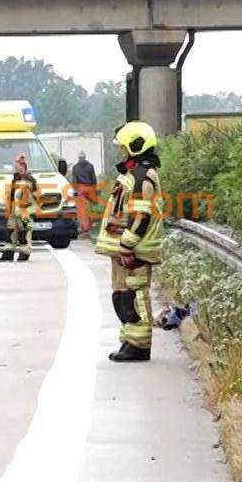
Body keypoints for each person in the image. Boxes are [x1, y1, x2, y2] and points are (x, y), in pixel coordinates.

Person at [99, 122, 165, 362]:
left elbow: (141, 215)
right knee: (121, 296)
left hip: (134, 250)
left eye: (125, 148)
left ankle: (139, 346)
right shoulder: (133, 174)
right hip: (125, 249)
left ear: (135, 147)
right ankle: (129, 341)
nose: (122, 153)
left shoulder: (141, 176)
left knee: (133, 296)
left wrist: (127, 244)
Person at [3, 155, 37, 262]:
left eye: (17, 165)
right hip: (14, 209)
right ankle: (8, 253)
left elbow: (33, 196)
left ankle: (24, 253)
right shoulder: (15, 178)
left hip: (25, 210)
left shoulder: (29, 179)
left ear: (22, 166)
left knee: (24, 232)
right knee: (11, 230)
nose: (15, 167)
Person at [70, 150, 99, 231]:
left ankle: (85, 227)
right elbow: (94, 179)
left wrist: (75, 193)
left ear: (79, 158)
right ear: (85, 157)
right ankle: (89, 226)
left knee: (81, 209)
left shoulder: (75, 167)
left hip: (80, 189)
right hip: (90, 188)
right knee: (90, 208)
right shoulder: (90, 166)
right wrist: (95, 191)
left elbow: (74, 181)